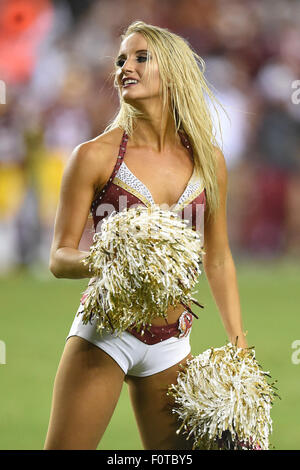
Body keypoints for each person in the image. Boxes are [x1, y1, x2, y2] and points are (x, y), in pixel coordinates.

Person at [44, 21, 248, 450]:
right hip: (107, 332)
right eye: (121, 60)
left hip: (173, 341)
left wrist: (239, 345)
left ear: (172, 72)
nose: (124, 67)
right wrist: (115, 260)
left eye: (140, 57)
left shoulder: (209, 159)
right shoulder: (94, 155)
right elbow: (59, 257)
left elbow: (217, 257)